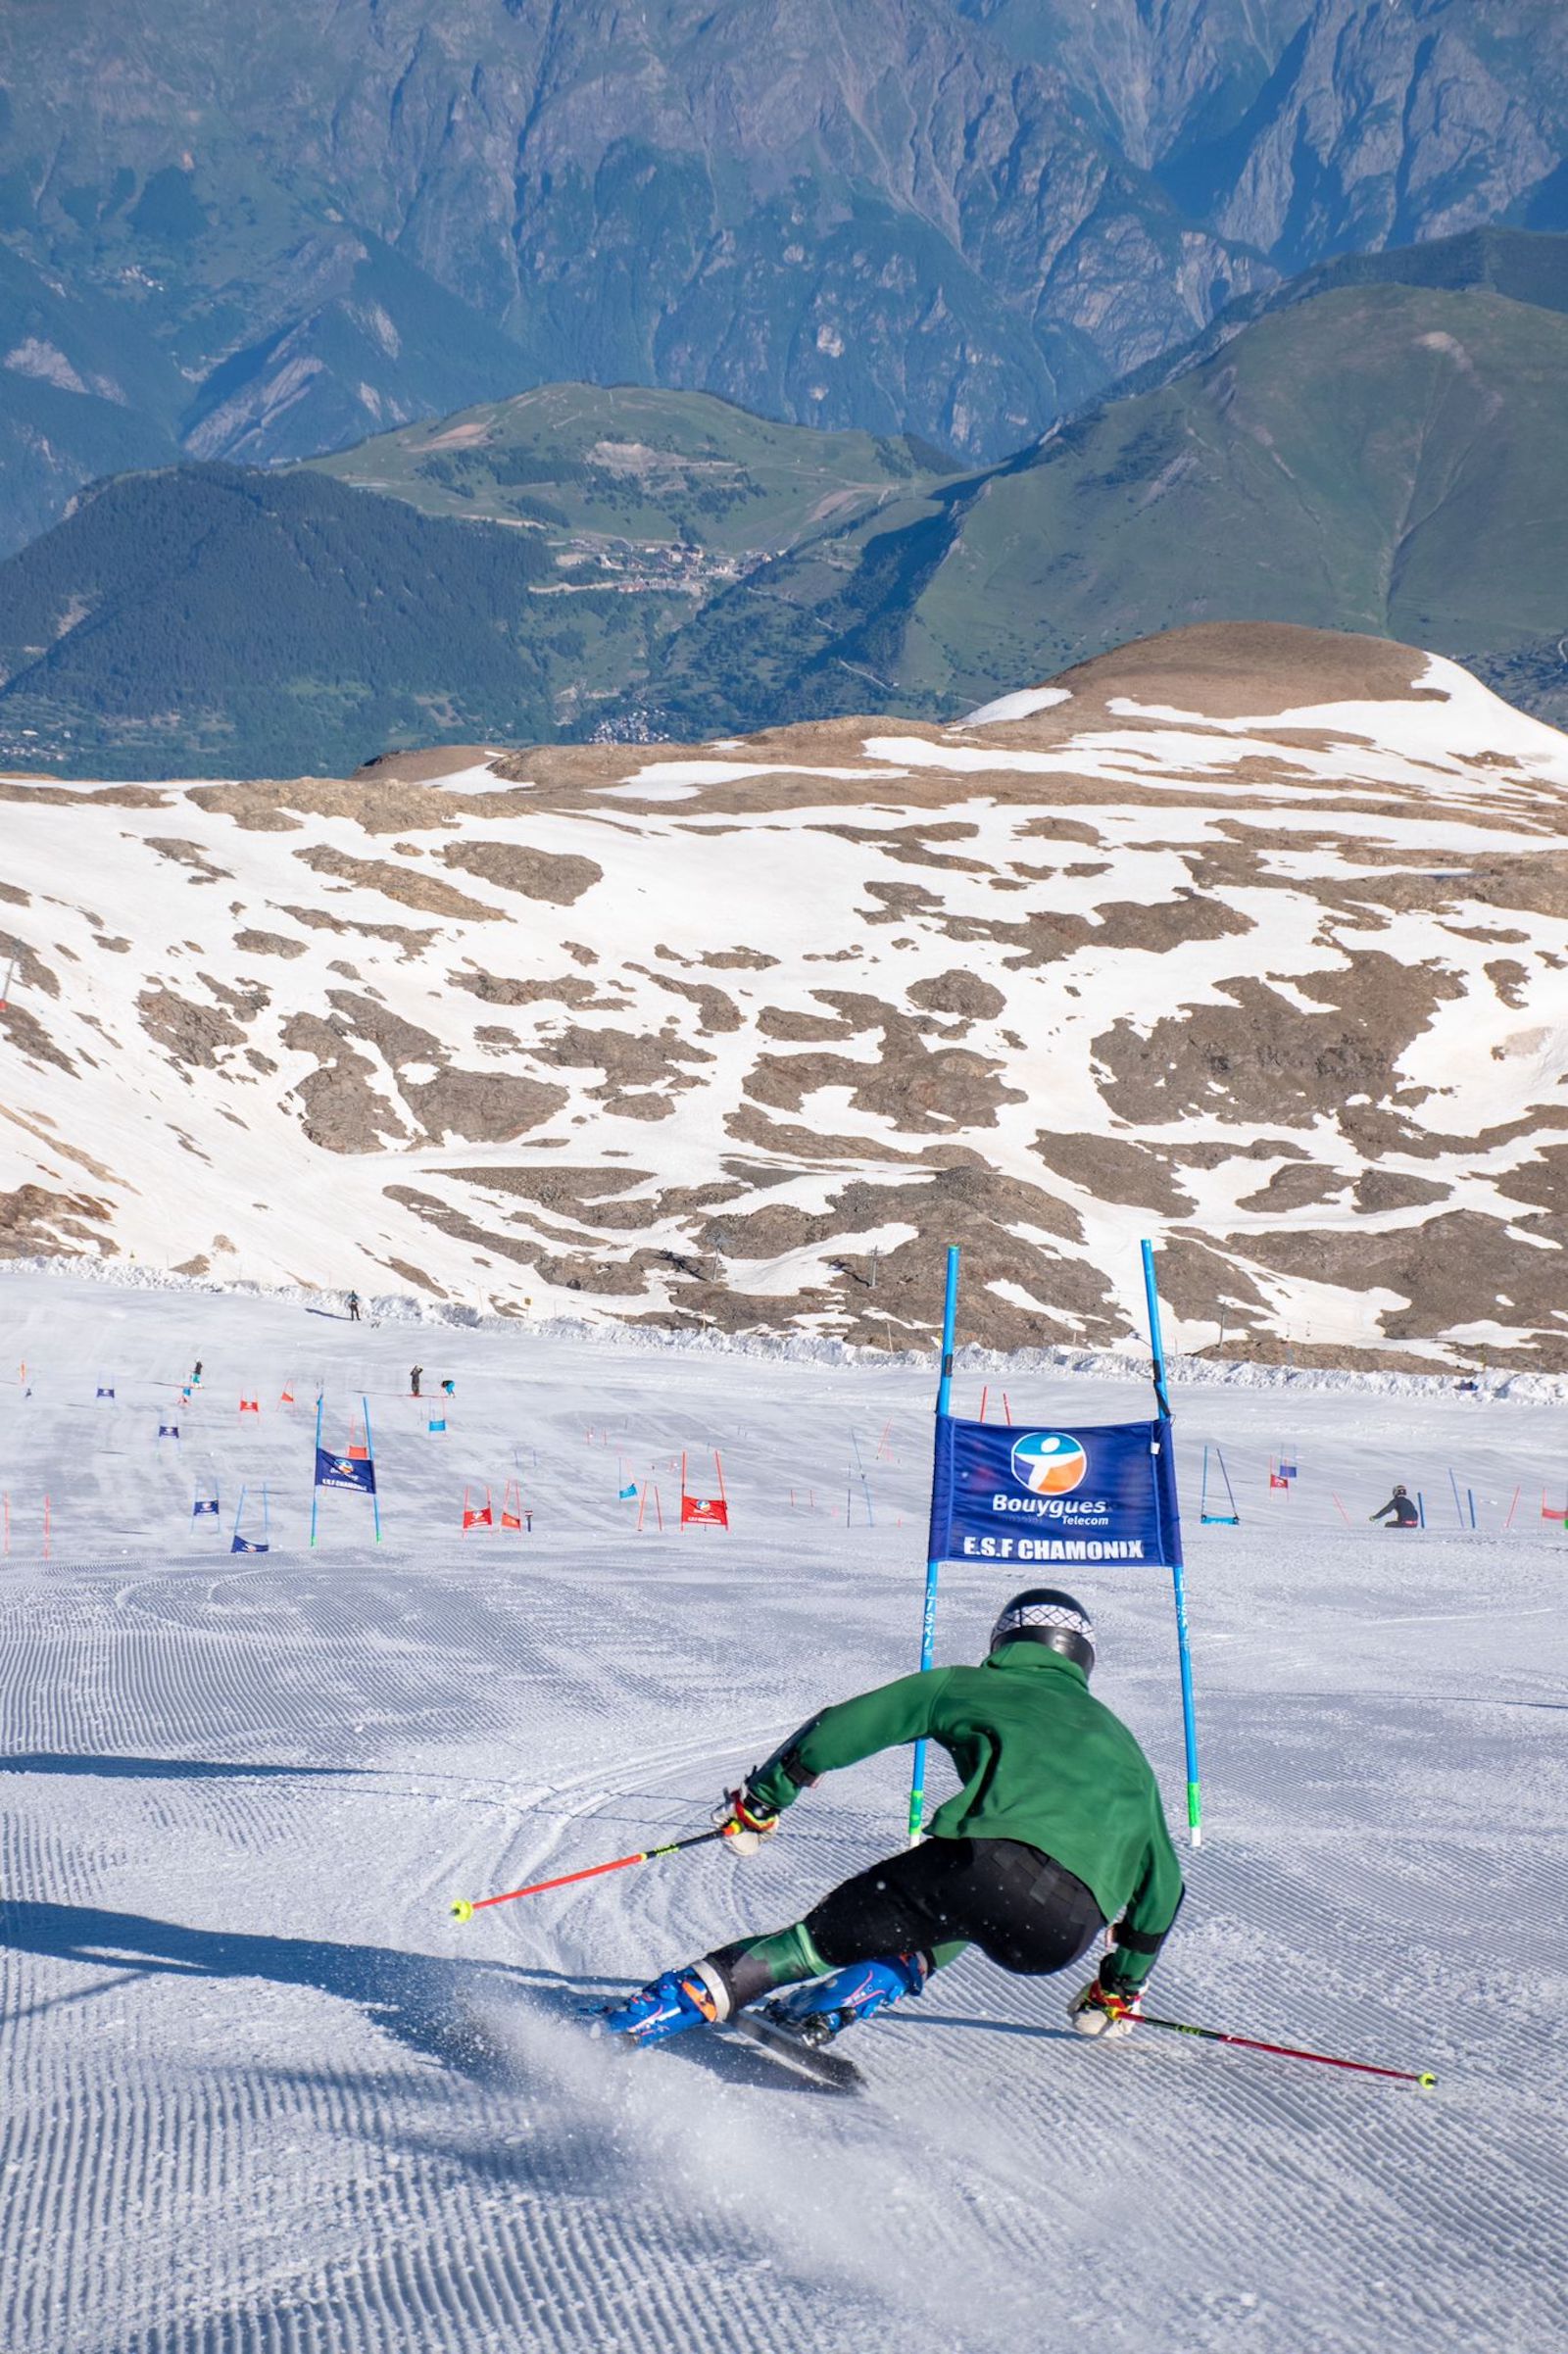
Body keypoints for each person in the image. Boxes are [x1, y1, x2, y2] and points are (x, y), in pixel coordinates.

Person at [599, 1589, 1184, 2048]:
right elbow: (1163, 1889)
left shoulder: (973, 1686)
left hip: (986, 1864)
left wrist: (761, 1803)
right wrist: (1117, 1988)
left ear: (1005, 1641)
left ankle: (642, 2020)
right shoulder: (1129, 1753)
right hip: (1063, 1933)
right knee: (956, 1918)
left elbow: (845, 1727)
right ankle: (832, 2004)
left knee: (816, 1942)